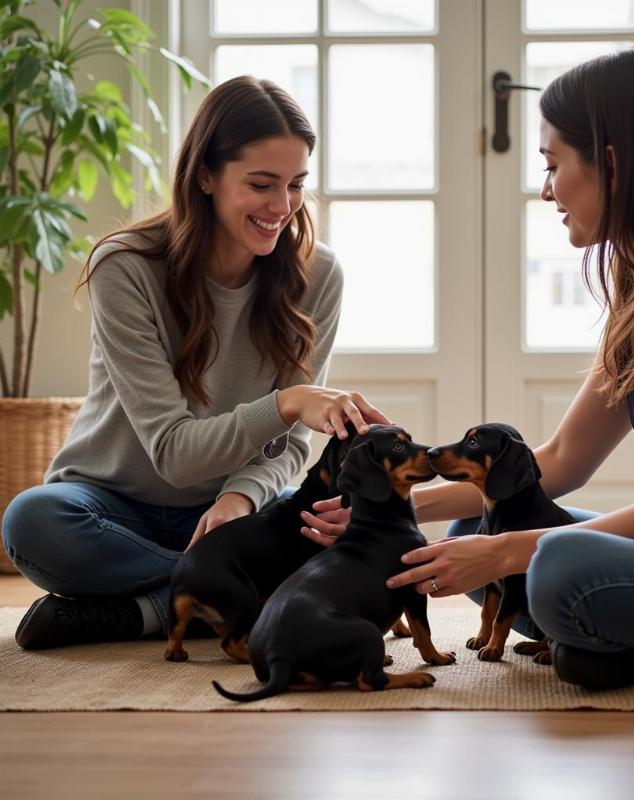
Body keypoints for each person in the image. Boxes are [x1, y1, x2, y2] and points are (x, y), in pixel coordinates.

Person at [302, 46, 634, 690]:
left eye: (553, 164)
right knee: (478, 520)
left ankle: (612, 633)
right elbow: (561, 458)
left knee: (551, 561)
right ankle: (612, 637)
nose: (545, 189)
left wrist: (506, 553)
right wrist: (396, 508)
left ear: (613, 163)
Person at [3, 76, 389, 650]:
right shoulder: (127, 267)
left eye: (296, 185)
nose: (282, 207)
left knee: (336, 530)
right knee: (32, 524)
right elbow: (174, 455)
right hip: (111, 508)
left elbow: (286, 451)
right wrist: (285, 403)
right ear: (205, 175)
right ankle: (228, 595)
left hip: (233, 511)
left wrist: (240, 499)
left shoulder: (319, 275)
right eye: (261, 184)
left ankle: (146, 612)